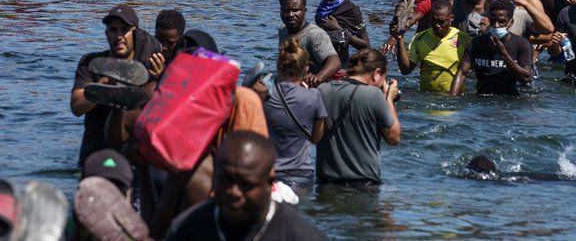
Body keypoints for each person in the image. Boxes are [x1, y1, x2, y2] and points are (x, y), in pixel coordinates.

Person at [165, 132, 324, 240]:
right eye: (226, 179)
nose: (233, 192)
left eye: (246, 184)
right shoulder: (186, 228)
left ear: (270, 183)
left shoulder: (300, 235)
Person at [70, 5, 159, 166]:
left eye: (124, 30)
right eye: (113, 30)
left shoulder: (147, 68)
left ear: (135, 33)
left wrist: (161, 77)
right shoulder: (91, 63)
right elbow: (76, 107)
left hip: (130, 157)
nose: (119, 36)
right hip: (95, 154)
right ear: (106, 33)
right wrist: (104, 85)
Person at [316, 48, 400, 186]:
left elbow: (315, 136)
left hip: (326, 181)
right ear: (377, 73)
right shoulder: (374, 95)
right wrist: (389, 99)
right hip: (362, 182)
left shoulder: (323, 90)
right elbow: (394, 138)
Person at [263, 38, 328, 188]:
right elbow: (316, 138)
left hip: (270, 173)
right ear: (306, 69)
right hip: (301, 174)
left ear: (278, 66)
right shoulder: (314, 96)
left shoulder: (265, 95)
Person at [450, 0, 534, 96]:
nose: (496, 25)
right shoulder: (476, 43)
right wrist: (453, 98)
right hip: (482, 97)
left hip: (511, 99)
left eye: (502, 22)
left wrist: (504, 55)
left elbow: (526, 77)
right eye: (493, 21)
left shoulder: (521, 44)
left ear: (510, 22)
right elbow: (462, 72)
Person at [397, 0, 471, 93]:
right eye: (434, 21)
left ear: (451, 18)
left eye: (441, 22)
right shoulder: (420, 38)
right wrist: (399, 38)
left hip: (454, 98)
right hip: (427, 96)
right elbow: (405, 70)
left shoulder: (463, 39)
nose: (437, 25)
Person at [277, 0, 341, 87]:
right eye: (286, 10)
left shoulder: (315, 35)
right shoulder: (283, 31)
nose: (290, 14)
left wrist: (318, 77)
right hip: (287, 86)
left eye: (295, 10)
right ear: (281, 11)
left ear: (304, 10)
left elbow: (335, 62)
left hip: (310, 89)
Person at [313, 0, 369, 65]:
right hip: (319, 61)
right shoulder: (324, 5)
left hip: (338, 65)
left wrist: (339, 30)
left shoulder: (351, 9)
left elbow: (366, 45)